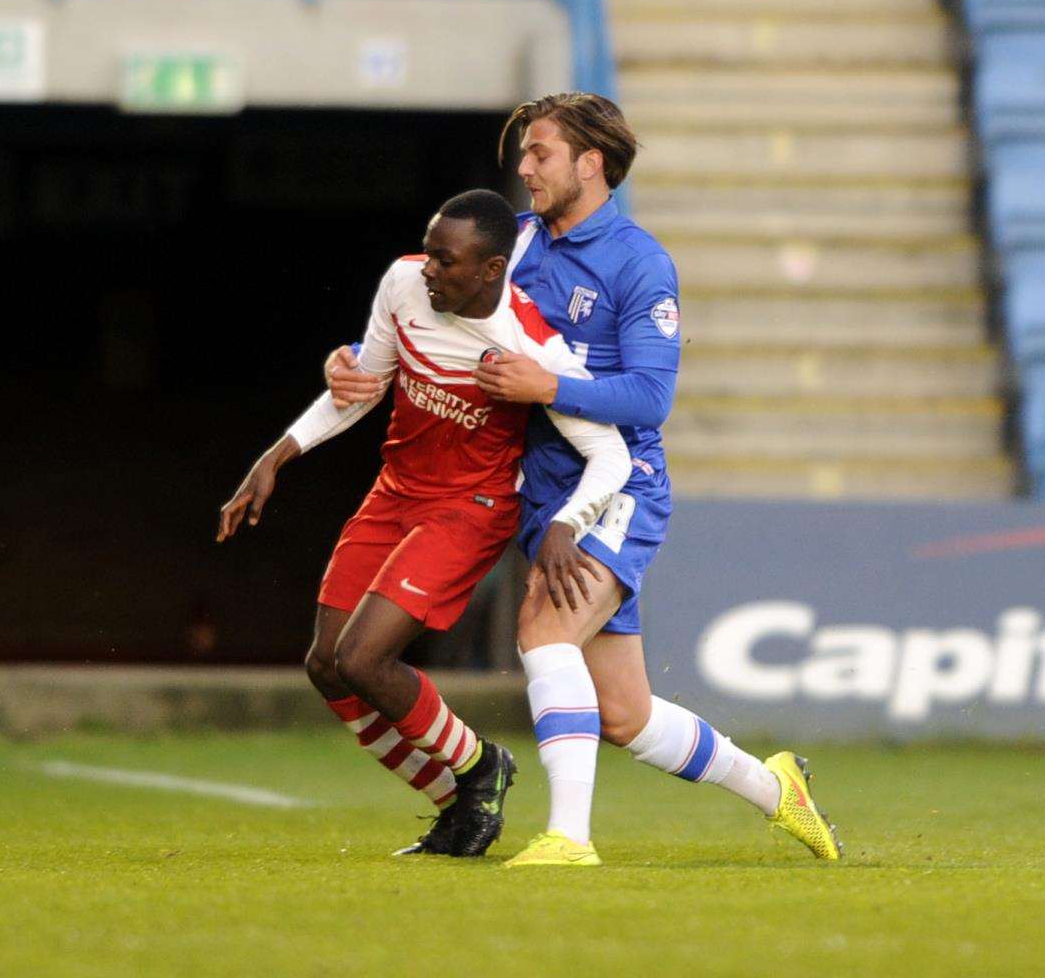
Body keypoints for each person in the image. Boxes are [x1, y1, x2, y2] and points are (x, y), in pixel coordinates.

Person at [327, 93, 842, 867]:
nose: (525, 168)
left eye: (540, 154)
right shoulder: (518, 246)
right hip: (540, 494)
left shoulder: (638, 262)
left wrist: (550, 389)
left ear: (590, 164)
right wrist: (356, 370)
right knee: (625, 715)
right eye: (524, 154)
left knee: (541, 627)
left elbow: (650, 397)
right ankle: (777, 790)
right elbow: (437, 325)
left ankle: (569, 838)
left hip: (617, 488)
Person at [218, 189, 632, 858]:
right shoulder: (403, 283)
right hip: (396, 493)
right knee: (327, 666)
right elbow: (364, 383)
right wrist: (281, 452)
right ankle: (457, 805)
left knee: (364, 658)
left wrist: (565, 524)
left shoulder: (529, 346)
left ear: (491, 269)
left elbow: (609, 454)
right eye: (429, 251)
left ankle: (480, 768)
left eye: (446, 259)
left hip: (470, 509)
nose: (428, 269)